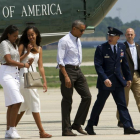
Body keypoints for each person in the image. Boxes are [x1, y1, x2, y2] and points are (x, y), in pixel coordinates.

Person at [85, 27, 140, 135]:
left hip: (118, 82)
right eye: (109, 35)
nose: (109, 37)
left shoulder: (121, 47)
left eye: (112, 36)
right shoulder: (101, 48)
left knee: (122, 105)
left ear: (118, 38)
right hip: (106, 82)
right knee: (99, 105)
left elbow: (125, 65)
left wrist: (128, 78)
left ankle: (128, 126)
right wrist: (104, 78)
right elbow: (98, 66)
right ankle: (90, 125)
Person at [14, 26, 52, 138]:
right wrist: (27, 53)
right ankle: (42, 131)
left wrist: (44, 81)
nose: (30, 37)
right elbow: (15, 61)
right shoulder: (23, 46)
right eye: (28, 35)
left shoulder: (39, 48)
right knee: (35, 102)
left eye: (32, 34)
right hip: (23, 75)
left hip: (33, 75)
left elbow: (40, 66)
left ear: (36, 35)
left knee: (24, 105)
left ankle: (11, 129)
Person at [57, 20, 92, 136]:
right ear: (74, 29)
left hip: (78, 70)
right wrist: (66, 76)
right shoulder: (64, 41)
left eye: (84, 30)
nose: (83, 32)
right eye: (81, 30)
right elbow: (60, 61)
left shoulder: (78, 39)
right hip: (67, 70)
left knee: (87, 96)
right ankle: (66, 129)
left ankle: (77, 124)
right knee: (67, 100)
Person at [0, 25, 33, 139]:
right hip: (6, 74)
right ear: (8, 34)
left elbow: (16, 59)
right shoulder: (4, 43)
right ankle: (12, 129)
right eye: (14, 36)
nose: (16, 38)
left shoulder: (13, 44)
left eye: (16, 36)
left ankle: (8, 131)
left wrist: (27, 53)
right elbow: (9, 60)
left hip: (14, 75)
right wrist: (24, 65)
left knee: (11, 104)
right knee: (18, 101)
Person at [117, 28, 140, 127]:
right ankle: (121, 120)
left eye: (131, 34)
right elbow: (118, 63)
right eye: (128, 34)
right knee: (124, 100)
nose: (130, 36)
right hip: (126, 77)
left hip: (137, 75)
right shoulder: (121, 47)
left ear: (134, 35)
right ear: (125, 36)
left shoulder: (138, 47)